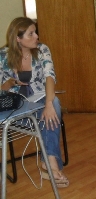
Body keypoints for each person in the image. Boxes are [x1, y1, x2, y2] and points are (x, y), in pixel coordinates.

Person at [0, 17, 69, 188]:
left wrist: (48, 104)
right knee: (50, 112)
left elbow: (49, 76)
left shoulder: (42, 49)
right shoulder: (3, 56)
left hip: (39, 101)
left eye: (35, 31)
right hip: (16, 105)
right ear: (18, 38)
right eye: (31, 33)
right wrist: (10, 83)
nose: (36, 36)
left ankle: (50, 163)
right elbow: (2, 87)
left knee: (54, 104)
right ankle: (50, 165)